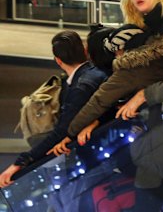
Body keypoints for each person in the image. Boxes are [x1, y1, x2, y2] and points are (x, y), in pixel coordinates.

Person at [0, 31, 107, 187]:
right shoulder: (96, 73)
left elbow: (62, 131)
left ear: (58, 60)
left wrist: (21, 161)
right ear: (84, 51)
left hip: (92, 160)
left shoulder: (80, 87)